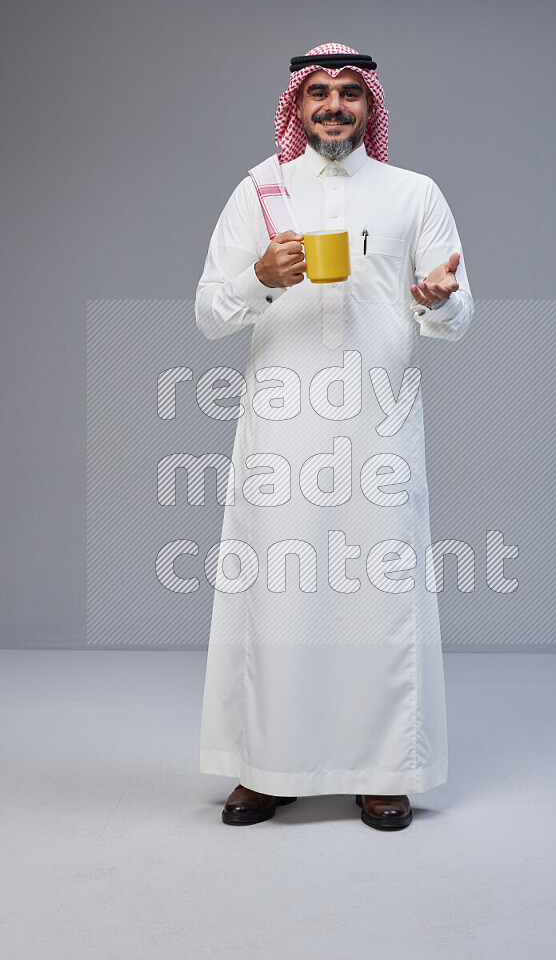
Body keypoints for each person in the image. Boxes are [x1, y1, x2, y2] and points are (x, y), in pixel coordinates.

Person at [194, 43, 474, 830]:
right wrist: (260, 279)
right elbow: (208, 311)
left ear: (370, 105)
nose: (334, 107)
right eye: (318, 92)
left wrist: (437, 298)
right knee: (277, 596)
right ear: (297, 103)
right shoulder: (260, 190)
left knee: (376, 596)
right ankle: (267, 766)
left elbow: (456, 317)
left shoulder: (414, 194)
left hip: (378, 427)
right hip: (281, 429)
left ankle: (384, 769)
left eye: (350, 93)